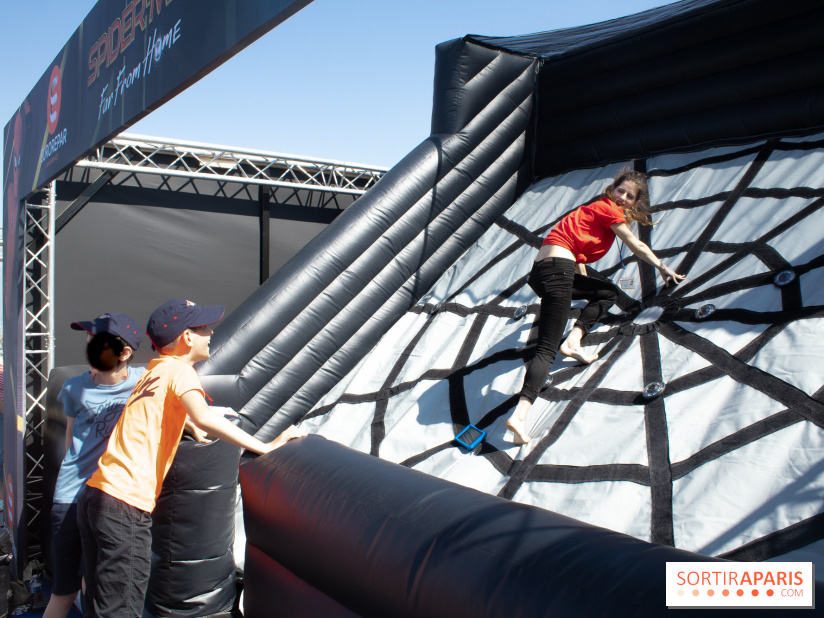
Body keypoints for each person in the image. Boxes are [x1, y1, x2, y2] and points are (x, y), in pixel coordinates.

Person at [76, 299, 303, 618]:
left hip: (96, 495)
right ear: (186, 337)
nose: (211, 333)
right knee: (121, 607)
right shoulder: (181, 372)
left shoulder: (154, 371)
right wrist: (265, 446)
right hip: (124, 503)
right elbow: (205, 417)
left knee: (99, 600)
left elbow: (157, 410)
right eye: (204, 328)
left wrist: (185, 423)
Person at [506, 168, 685, 445]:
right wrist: (663, 267)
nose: (623, 197)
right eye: (620, 191)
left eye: (629, 196)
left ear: (634, 202)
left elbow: (578, 262)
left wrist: (587, 291)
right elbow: (636, 245)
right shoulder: (608, 209)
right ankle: (519, 416)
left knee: (606, 293)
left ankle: (573, 341)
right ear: (612, 190)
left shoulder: (592, 211)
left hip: (544, 272)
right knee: (546, 350)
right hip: (557, 271)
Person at [44, 313, 145, 618]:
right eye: (88, 340)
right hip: (72, 499)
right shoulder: (74, 388)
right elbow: (71, 441)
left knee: (100, 590)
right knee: (64, 591)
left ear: (124, 352)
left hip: (111, 501)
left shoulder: (143, 380)